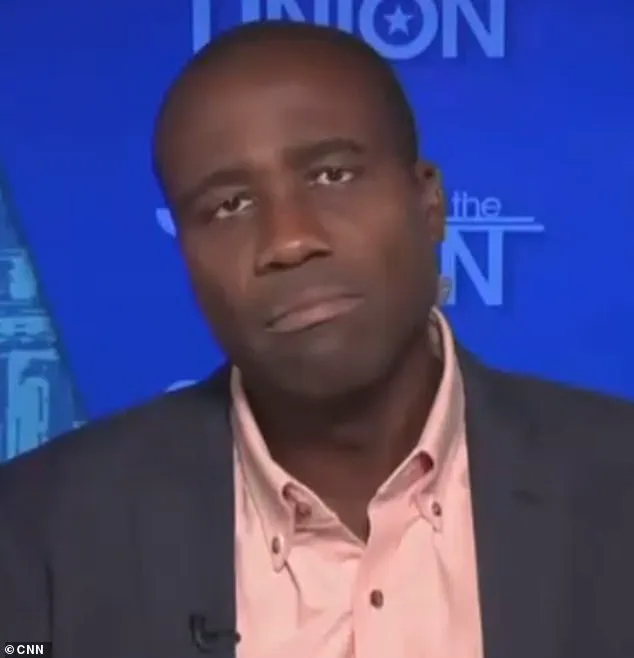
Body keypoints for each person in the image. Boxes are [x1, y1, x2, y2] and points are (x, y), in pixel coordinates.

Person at [1, 20, 633, 658]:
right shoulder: (34, 531)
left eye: (333, 175)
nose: (289, 241)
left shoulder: (616, 480)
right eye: (229, 206)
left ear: (430, 203)